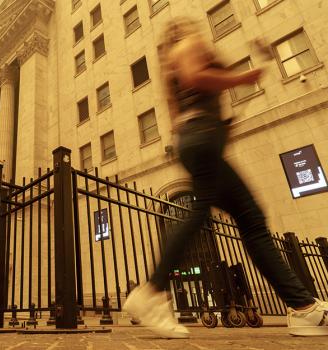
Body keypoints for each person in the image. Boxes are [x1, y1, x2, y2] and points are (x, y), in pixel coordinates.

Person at [123, 16, 328, 338]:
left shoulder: (168, 70)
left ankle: (303, 308)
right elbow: (195, 77)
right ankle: (152, 291)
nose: (196, 28)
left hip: (197, 139)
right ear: (182, 31)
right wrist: (244, 77)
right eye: (190, 25)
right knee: (218, 213)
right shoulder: (189, 45)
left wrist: (216, 129)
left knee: (250, 220)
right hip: (202, 138)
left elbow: (178, 120)